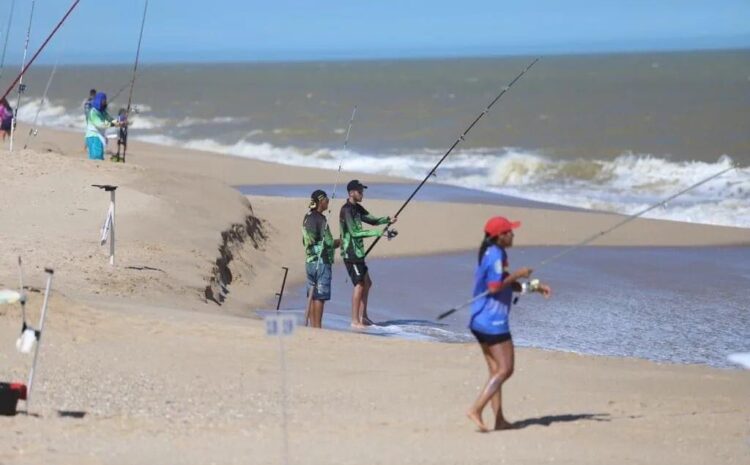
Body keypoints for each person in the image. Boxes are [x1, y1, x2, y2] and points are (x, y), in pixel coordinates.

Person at [466, 216, 552, 432]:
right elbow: (495, 287)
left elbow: (505, 283)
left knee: (495, 371)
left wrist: (532, 287)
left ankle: (500, 420)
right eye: (509, 232)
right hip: (492, 322)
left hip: (478, 319)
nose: (513, 234)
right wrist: (519, 273)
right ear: (500, 236)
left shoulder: (491, 252)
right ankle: (476, 409)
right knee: (506, 369)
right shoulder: (496, 254)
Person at [339, 179, 396, 328]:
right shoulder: (346, 210)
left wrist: (387, 220)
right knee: (359, 284)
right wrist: (378, 233)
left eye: (362, 191)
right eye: (359, 191)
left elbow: (372, 220)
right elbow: (355, 232)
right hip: (350, 253)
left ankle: (363, 317)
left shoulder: (357, 208)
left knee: (367, 283)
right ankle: (354, 320)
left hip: (358, 253)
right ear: (351, 193)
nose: (362, 194)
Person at [302, 190, 341, 328]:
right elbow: (329, 243)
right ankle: (317, 327)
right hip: (321, 262)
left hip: (309, 262)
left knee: (312, 295)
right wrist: (341, 241)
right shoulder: (321, 219)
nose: (328, 202)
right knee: (320, 296)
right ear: (320, 201)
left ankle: (313, 326)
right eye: (326, 200)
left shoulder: (307, 217)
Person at [84, 92, 120, 160]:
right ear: (99, 101)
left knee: (99, 156)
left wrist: (119, 123)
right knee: (96, 157)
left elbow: (110, 119)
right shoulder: (93, 112)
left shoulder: (103, 112)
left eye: (105, 101)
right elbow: (99, 124)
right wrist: (112, 124)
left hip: (99, 136)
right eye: (103, 101)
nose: (105, 103)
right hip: (93, 136)